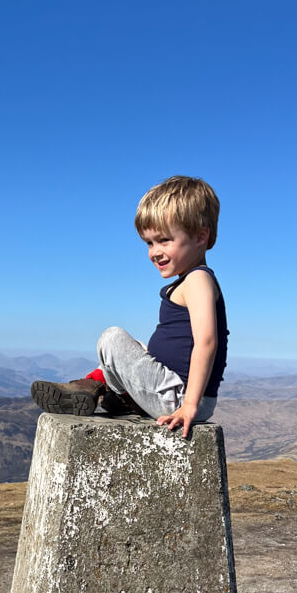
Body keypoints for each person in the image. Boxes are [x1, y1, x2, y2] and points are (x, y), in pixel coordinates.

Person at [31, 175, 228, 439]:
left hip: (179, 397)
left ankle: (103, 388)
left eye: (164, 240)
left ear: (200, 236)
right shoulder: (191, 280)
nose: (154, 252)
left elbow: (207, 342)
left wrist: (190, 405)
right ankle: (107, 391)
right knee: (137, 347)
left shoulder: (198, 279)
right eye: (149, 243)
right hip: (174, 390)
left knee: (112, 339)